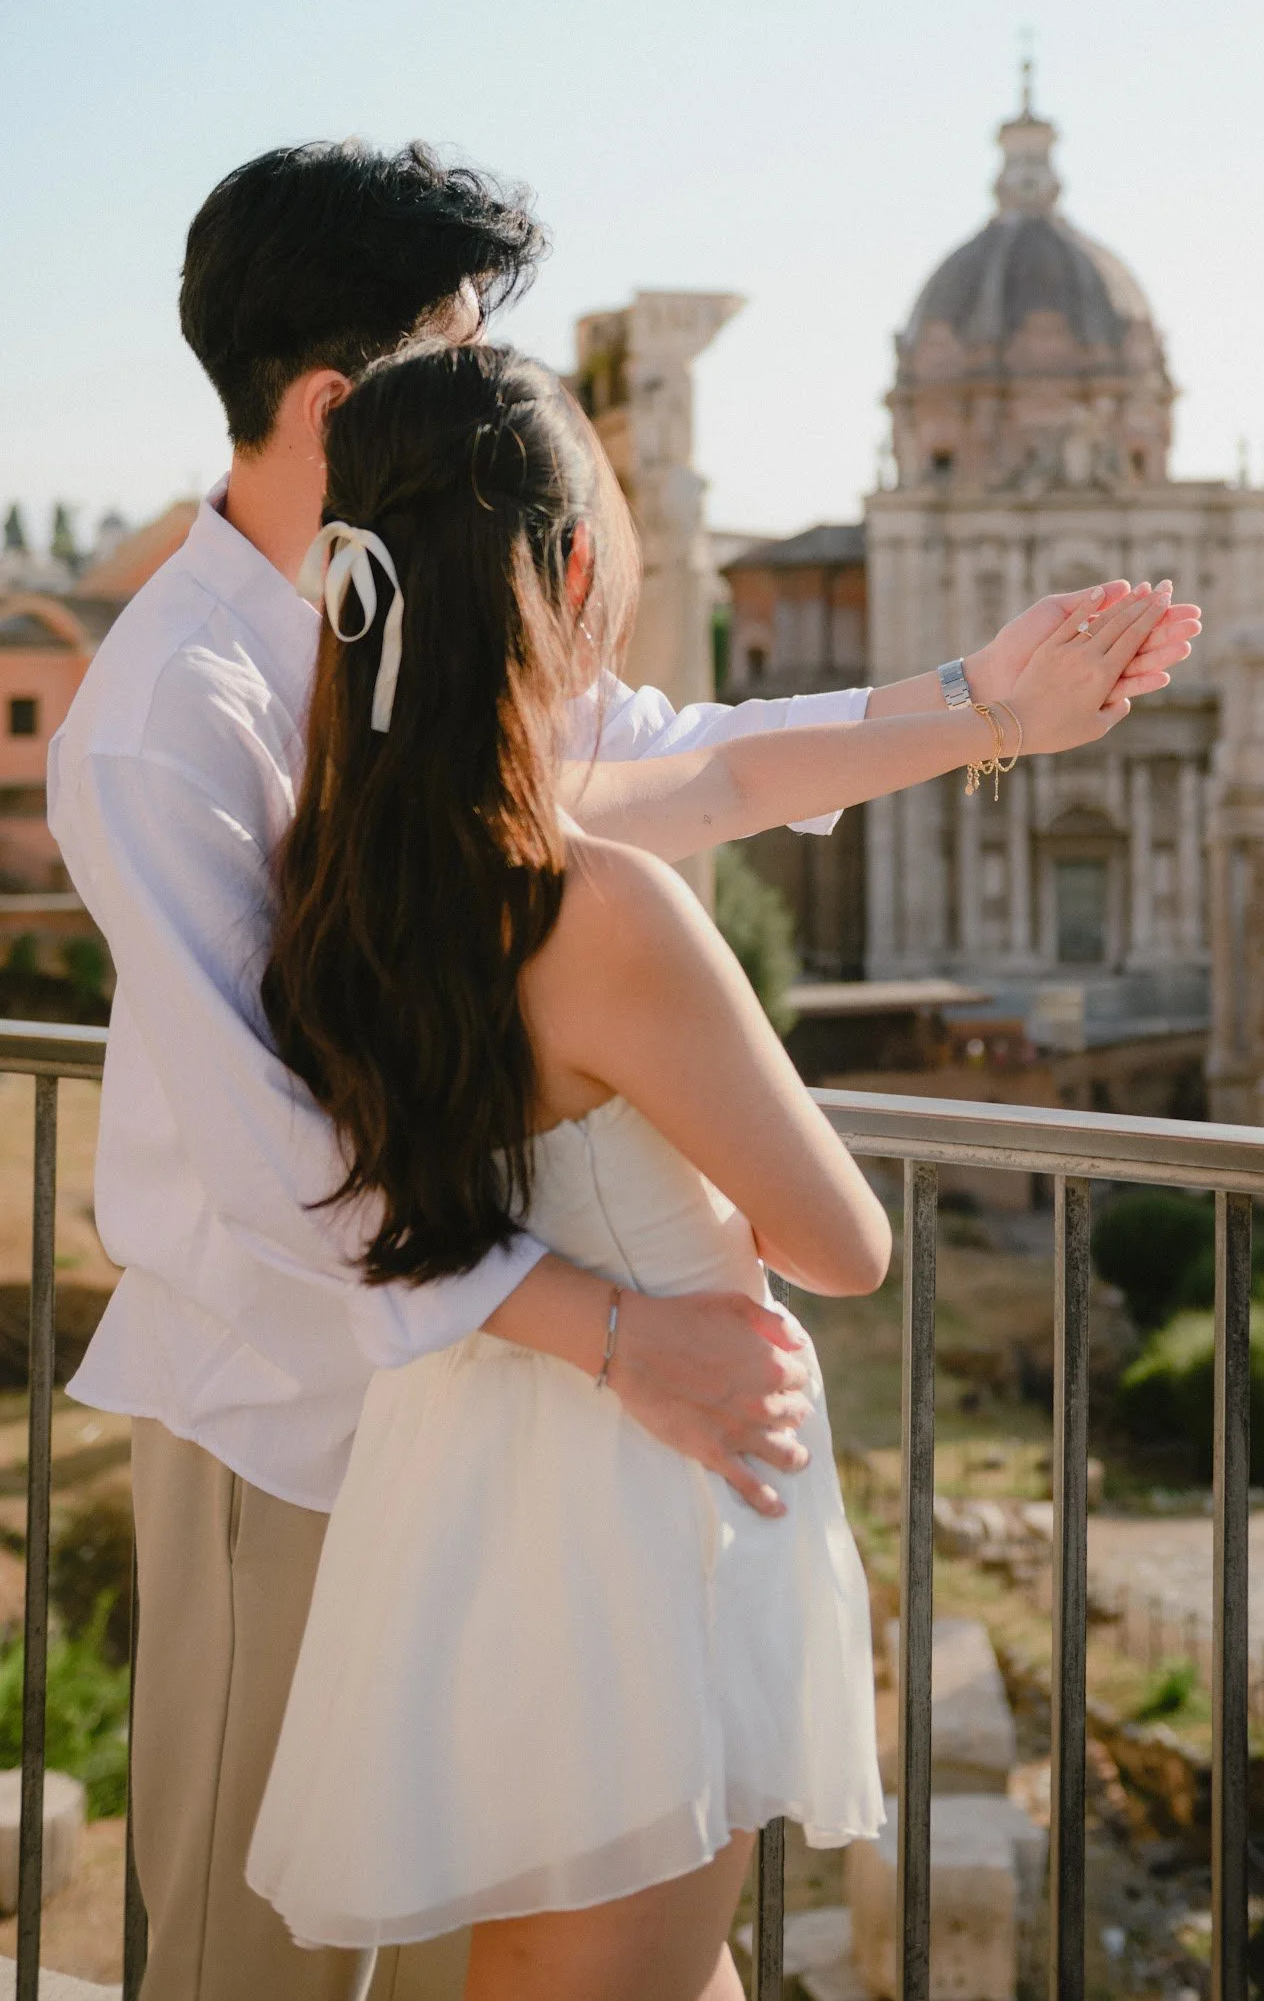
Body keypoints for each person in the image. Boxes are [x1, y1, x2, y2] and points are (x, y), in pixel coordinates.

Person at [47, 139, 1198, 2001]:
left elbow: (706, 764)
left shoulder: (412, 642)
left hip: (487, 1442)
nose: (515, 405)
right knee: (253, 1964)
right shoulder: (170, 719)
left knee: (485, 1956)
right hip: (290, 1418)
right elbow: (278, 1168)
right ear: (342, 406)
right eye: (460, 352)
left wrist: (985, 709)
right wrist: (613, 1329)